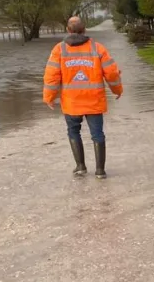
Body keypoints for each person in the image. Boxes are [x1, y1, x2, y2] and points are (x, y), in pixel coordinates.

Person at [43, 16, 123, 179]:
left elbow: (51, 77)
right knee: (97, 134)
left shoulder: (59, 49)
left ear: (68, 30)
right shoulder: (97, 48)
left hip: (72, 102)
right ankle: (100, 170)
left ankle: (80, 166)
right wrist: (117, 90)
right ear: (84, 30)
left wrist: (49, 97)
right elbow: (112, 73)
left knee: (73, 132)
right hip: (94, 100)